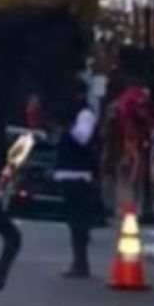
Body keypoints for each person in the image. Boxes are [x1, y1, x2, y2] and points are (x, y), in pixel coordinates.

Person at [53, 80, 99, 278]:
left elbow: (83, 138)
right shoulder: (74, 114)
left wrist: (68, 126)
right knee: (73, 222)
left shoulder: (85, 114)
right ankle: (78, 262)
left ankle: (81, 263)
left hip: (78, 176)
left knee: (78, 222)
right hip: (67, 173)